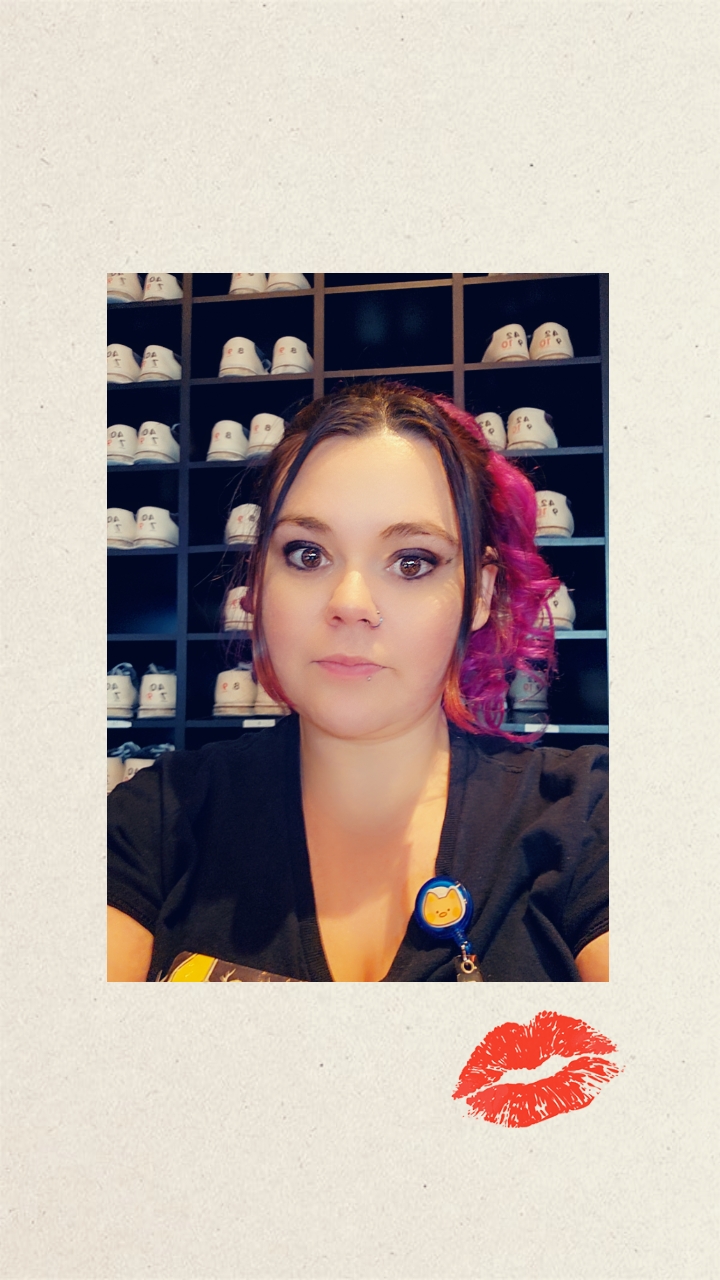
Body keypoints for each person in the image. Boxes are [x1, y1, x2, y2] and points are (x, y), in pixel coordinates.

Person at [108, 380, 608, 982]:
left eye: (412, 562)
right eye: (307, 554)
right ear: (257, 579)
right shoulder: (155, 820)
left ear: (479, 593)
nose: (350, 603)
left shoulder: (587, 821)